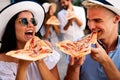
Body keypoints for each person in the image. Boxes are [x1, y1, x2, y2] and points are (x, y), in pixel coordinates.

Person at [0, 1, 60, 80]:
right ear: (11, 28)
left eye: (33, 21)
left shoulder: (46, 52)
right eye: (24, 21)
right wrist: (22, 66)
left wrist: (40, 60)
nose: (31, 25)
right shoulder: (2, 63)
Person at [64, 0, 120, 80]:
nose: (91, 27)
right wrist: (73, 68)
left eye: (97, 20)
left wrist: (105, 61)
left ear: (116, 19)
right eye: (89, 20)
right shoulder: (78, 45)